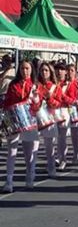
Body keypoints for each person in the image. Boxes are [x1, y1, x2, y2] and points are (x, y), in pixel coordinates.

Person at [2, 60, 39, 192]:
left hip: (30, 122)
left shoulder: (35, 85)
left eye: (27, 68)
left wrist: (35, 100)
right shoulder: (13, 84)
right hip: (14, 119)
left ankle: (30, 176)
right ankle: (9, 181)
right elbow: (7, 102)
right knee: (11, 151)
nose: (25, 71)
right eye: (23, 68)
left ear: (31, 70)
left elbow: (38, 107)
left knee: (29, 153)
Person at [34, 62, 62, 178]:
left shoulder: (55, 87)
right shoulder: (36, 85)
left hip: (49, 118)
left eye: (46, 70)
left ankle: (51, 166)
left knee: (49, 145)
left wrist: (50, 99)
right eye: (42, 70)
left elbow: (59, 103)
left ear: (50, 72)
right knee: (34, 145)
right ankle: (31, 169)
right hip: (36, 117)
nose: (44, 72)